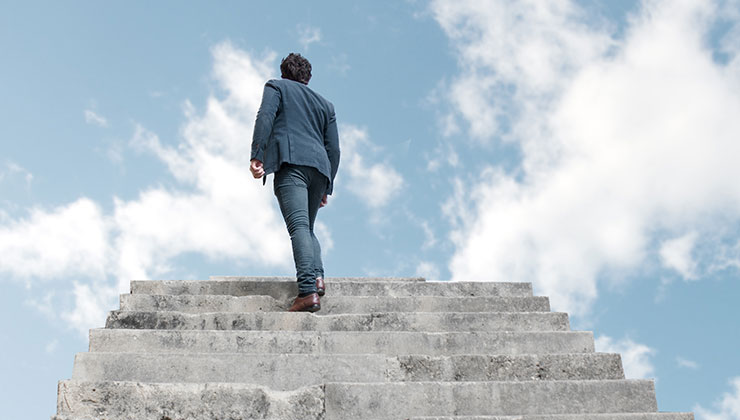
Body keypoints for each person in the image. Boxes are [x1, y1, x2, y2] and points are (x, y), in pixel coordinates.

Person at [249, 53, 340, 312]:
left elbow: (265, 116)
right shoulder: (326, 105)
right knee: (307, 227)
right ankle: (318, 277)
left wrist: (257, 154)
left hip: (292, 163)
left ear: (283, 72)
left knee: (299, 226)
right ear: (308, 78)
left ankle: (308, 291)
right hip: (320, 169)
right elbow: (334, 149)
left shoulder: (276, 86)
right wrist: (327, 186)